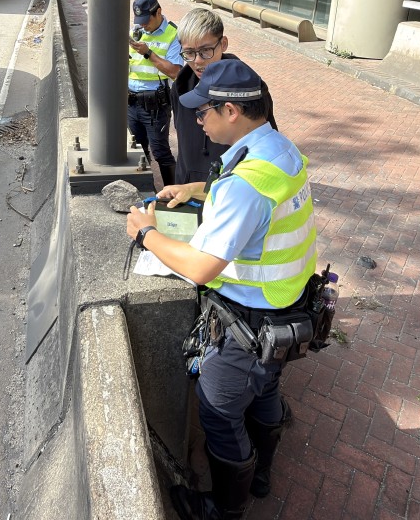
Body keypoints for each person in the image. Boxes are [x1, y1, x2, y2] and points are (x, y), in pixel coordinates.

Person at [125, 59, 317, 520]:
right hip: (288, 309)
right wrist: (196, 189)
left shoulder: (246, 185)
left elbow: (201, 267)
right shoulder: (279, 149)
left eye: (202, 111)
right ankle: (262, 475)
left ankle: (225, 510)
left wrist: (146, 234)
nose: (197, 121)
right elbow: (251, 201)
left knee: (218, 410)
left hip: (248, 324)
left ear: (230, 111)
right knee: (265, 391)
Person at [171, 8, 276, 185]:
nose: (197, 61)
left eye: (206, 50)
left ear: (223, 44)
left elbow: (266, 141)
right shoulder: (179, 87)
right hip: (187, 187)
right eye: (189, 53)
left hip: (233, 187)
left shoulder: (250, 89)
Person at [128, 0, 183, 188]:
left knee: (160, 152)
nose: (143, 25)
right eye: (139, 21)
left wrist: (148, 53)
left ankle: (173, 195)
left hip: (155, 106)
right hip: (131, 103)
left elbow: (175, 72)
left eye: (146, 20)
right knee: (137, 150)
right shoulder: (136, 31)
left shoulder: (173, 34)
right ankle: (147, 192)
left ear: (158, 12)